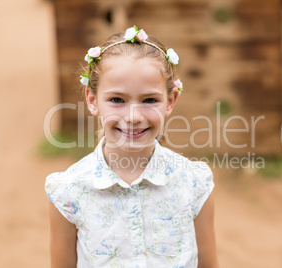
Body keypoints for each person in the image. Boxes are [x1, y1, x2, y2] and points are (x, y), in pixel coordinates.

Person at [45, 26, 218, 268]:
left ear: (171, 101)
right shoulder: (68, 192)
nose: (134, 116)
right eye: (117, 100)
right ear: (93, 100)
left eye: (149, 100)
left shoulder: (193, 183)